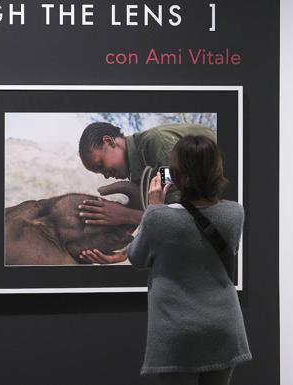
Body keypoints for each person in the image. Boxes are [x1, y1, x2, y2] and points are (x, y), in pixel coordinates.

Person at [82, 135, 251, 384]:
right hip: (224, 326)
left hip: (177, 330)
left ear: (177, 175)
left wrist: (154, 207)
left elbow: (138, 257)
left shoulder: (159, 218)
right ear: (216, 169)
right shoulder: (235, 212)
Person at [77, 121, 215, 263]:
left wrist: (125, 215)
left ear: (109, 142)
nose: (105, 175)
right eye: (99, 172)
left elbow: (185, 220)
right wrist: (125, 253)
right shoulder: (141, 171)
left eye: (101, 165)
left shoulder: (157, 145)